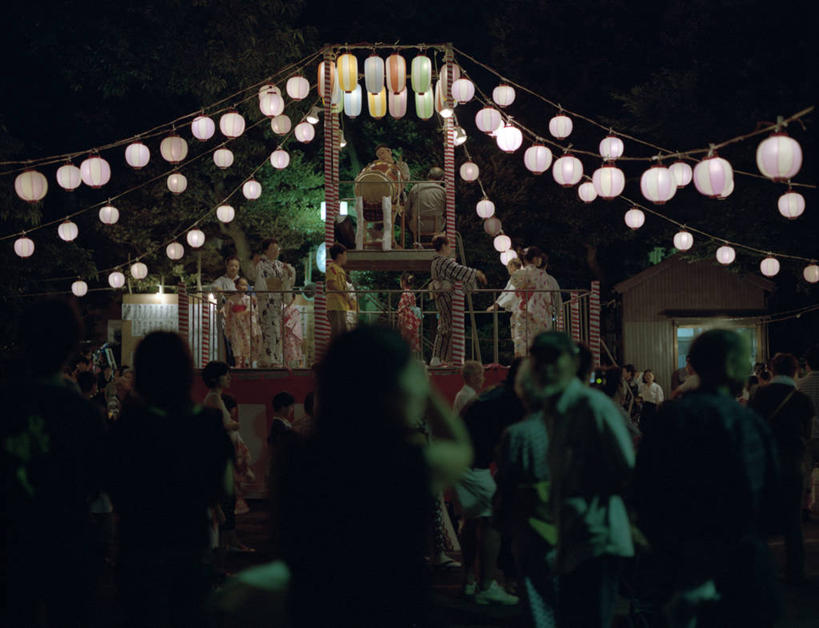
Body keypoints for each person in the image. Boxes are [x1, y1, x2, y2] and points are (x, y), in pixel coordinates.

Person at [272, 326, 473, 627]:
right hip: (392, 608)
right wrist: (426, 389)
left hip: (317, 608)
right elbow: (459, 447)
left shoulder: (298, 458)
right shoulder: (404, 462)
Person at [636, 329, 781, 628]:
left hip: (676, 563)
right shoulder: (749, 423)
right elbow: (773, 504)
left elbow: (645, 493)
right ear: (734, 366)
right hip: (742, 565)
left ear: (695, 366)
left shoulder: (669, 420)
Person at [108, 333, 234, 628]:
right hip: (189, 550)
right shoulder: (207, 425)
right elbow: (223, 487)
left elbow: (113, 485)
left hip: (138, 552)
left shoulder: (127, 429)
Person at [1, 300, 105, 628]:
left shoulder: (7, 401)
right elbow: (96, 479)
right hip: (67, 541)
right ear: (71, 346)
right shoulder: (81, 412)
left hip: (10, 541)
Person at [533, 332, 635, 627]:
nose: (543, 369)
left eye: (551, 362)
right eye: (538, 362)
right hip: (571, 534)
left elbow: (626, 468)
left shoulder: (593, 406)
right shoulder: (554, 409)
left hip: (596, 534)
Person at [456, 361, 525, 605]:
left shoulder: (493, 392)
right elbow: (508, 442)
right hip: (475, 463)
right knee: (493, 519)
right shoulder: (511, 399)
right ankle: (487, 585)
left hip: (462, 459)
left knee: (472, 519)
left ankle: (469, 580)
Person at [494, 358, 557, 627]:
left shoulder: (519, 433)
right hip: (575, 521)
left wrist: (501, 519)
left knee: (537, 599)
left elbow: (507, 481)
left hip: (534, 523)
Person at [749, 352, 813, 583]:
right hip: (793, 463)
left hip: (766, 463)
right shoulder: (802, 399)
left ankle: (761, 573)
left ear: (772, 371)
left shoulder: (759, 395)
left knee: (761, 520)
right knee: (793, 521)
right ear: (795, 371)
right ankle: (795, 570)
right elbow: (806, 434)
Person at [430, 234, 487, 365]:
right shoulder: (442, 261)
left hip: (443, 294)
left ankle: (439, 358)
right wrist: (477, 273)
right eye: (448, 245)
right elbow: (458, 270)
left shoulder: (437, 261)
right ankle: (436, 357)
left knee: (446, 326)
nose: (449, 248)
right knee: (445, 326)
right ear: (444, 246)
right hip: (444, 294)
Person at [509, 247, 562, 352]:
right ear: (535, 259)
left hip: (523, 311)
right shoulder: (544, 276)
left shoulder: (518, 274)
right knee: (541, 345)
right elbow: (547, 298)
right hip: (541, 313)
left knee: (523, 344)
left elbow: (516, 292)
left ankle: (522, 365)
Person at [255, 238, 295, 367]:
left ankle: (272, 358)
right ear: (266, 251)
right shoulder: (261, 264)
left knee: (276, 329)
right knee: (270, 330)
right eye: (272, 249)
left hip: (277, 300)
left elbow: (286, 282)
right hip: (266, 300)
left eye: (276, 249)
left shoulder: (280, 265)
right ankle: (270, 359)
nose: (275, 252)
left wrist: (289, 274)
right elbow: (260, 283)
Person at [222, 394, 255, 516]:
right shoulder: (231, 425)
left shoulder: (220, 424)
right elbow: (239, 445)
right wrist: (244, 457)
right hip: (233, 458)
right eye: (234, 407)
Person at [797, 345, 819, 520]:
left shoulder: (799, 385)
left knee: (806, 471)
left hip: (808, 434)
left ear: (807, 365)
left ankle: (805, 508)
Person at [488, 257, 524, 356]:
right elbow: (506, 292)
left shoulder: (518, 277)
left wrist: (498, 305)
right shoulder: (515, 277)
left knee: (519, 338)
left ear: (512, 266)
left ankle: (520, 362)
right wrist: (496, 303)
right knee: (517, 337)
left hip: (519, 310)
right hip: (517, 309)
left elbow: (511, 294)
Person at [224, 276, 263, 368]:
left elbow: (251, 310)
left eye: (245, 285)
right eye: (241, 284)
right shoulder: (231, 299)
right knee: (236, 342)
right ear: (236, 286)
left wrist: (242, 313)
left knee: (246, 341)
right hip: (235, 324)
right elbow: (227, 310)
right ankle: (238, 362)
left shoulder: (248, 299)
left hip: (245, 324)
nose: (243, 287)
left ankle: (245, 362)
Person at [212, 255, 242, 366]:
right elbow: (215, 288)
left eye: (236, 266)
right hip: (227, 317)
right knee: (227, 343)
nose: (233, 268)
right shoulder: (221, 280)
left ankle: (239, 365)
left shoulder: (241, 282)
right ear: (227, 266)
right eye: (231, 265)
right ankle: (228, 365)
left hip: (241, 317)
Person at [406, 166, 445, 247]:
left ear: (428, 176)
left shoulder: (416, 188)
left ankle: (414, 242)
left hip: (417, 226)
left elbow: (407, 210)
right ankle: (439, 244)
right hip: (437, 227)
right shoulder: (443, 191)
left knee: (406, 219)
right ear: (441, 179)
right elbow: (446, 212)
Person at [326, 242, 355, 340]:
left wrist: (348, 300)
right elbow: (330, 283)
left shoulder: (340, 270)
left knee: (341, 332)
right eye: (345, 254)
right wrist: (343, 294)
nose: (346, 257)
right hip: (335, 305)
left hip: (341, 305)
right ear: (339, 255)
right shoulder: (332, 268)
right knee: (337, 333)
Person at [397, 271, 422, 355]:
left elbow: (402, 308)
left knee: (406, 341)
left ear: (403, 282)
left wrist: (400, 320)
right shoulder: (411, 293)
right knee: (412, 341)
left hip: (407, 318)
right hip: (413, 318)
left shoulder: (405, 293)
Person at [637, 368, 664, 436]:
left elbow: (660, 401)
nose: (648, 377)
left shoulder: (657, 387)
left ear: (653, 376)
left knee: (652, 427)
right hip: (645, 408)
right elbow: (641, 397)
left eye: (649, 375)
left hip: (653, 408)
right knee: (643, 427)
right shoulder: (642, 386)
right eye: (646, 375)